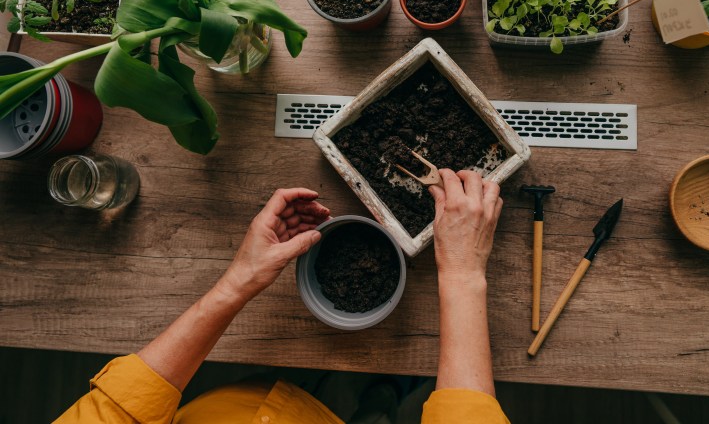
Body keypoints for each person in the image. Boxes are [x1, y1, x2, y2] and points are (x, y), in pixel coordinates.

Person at [56, 170, 510, 424]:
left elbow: (116, 409)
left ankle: (378, 400)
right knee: (377, 410)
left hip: (233, 409)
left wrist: (238, 283)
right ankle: (382, 403)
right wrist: (463, 271)